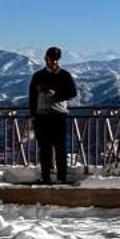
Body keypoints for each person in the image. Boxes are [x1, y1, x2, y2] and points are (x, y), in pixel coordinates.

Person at [28, 46, 78, 184]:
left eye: (55, 60)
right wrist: (33, 114)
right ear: (46, 59)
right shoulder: (38, 76)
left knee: (60, 147)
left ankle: (61, 176)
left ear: (59, 60)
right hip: (42, 116)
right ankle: (46, 176)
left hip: (58, 115)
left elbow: (73, 93)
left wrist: (56, 94)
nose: (53, 62)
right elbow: (32, 96)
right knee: (44, 148)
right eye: (51, 59)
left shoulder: (65, 75)